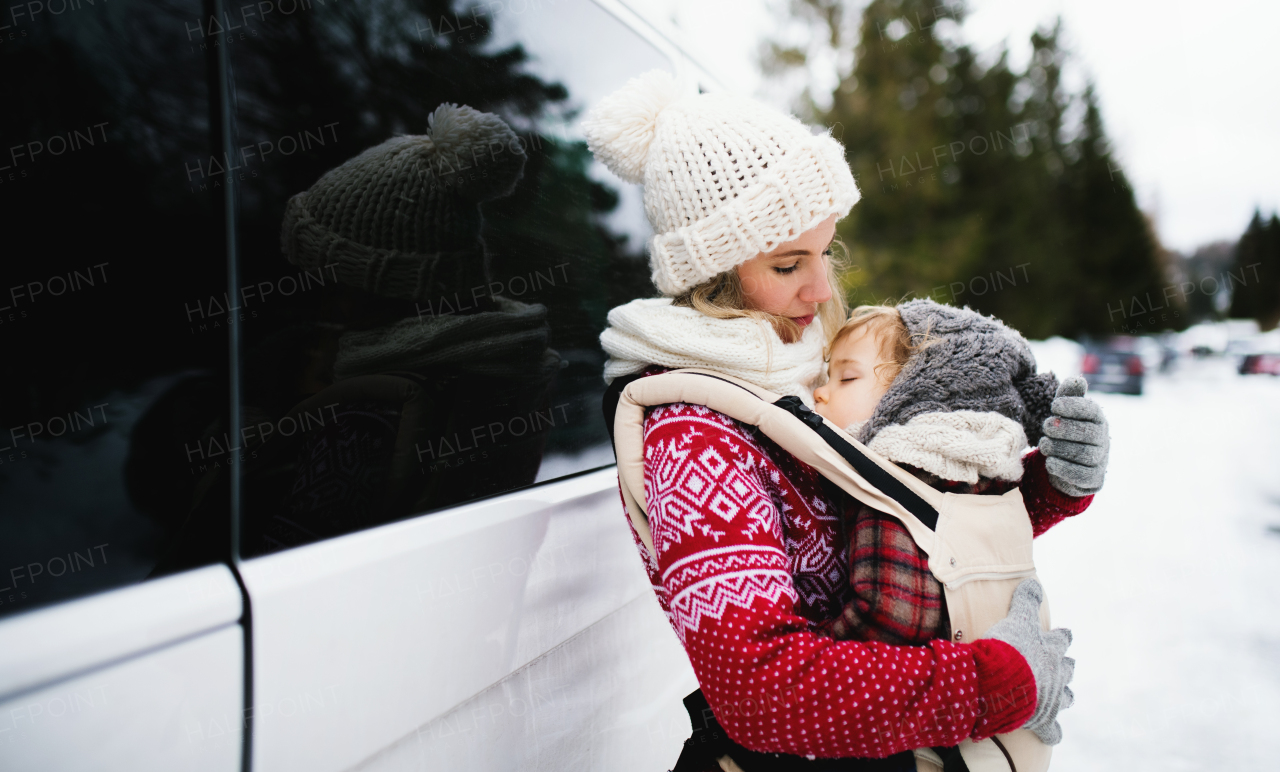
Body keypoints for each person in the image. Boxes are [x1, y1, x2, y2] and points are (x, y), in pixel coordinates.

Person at [584, 71, 1108, 771]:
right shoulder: (696, 436)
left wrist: (1052, 486)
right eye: (788, 262)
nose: (823, 287)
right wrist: (995, 684)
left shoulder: (796, 373)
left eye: (825, 249)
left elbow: (898, 534)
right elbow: (761, 692)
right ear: (709, 274)